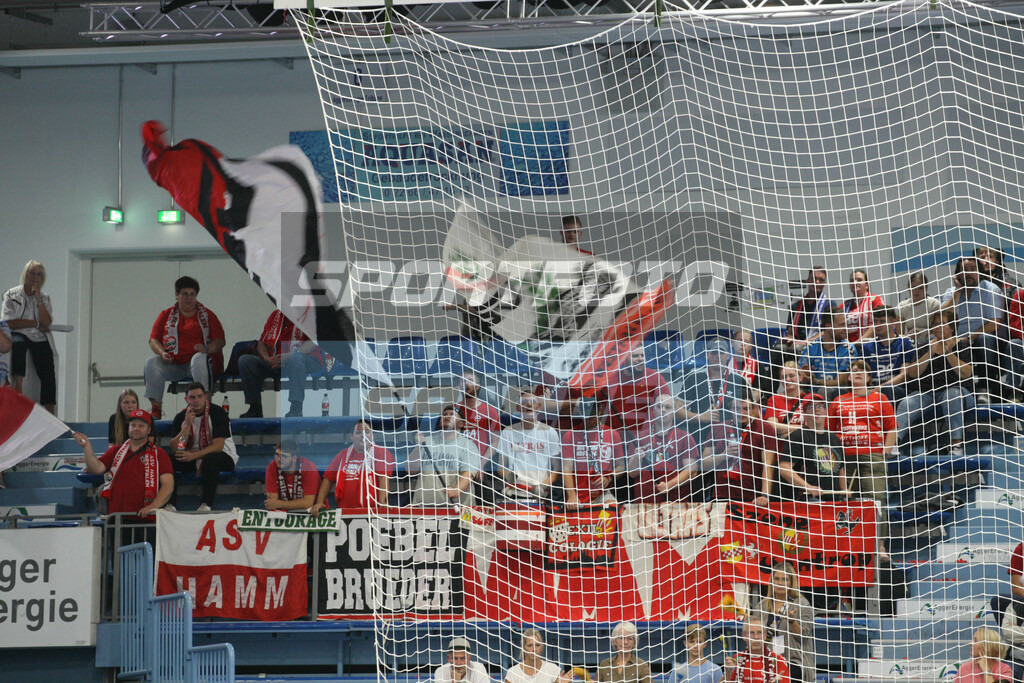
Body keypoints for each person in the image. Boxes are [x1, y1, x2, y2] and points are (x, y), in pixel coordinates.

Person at [896, 310, 975, 457]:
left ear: (952, 327)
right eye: (936, 324)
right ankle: (893, 444)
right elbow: (913, 373)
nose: (938, 327)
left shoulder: (962, 345)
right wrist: (929, 354)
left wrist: (948, 353)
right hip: (928, 394)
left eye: (942, 324)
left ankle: (956, 445)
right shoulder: (925, 346)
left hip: (959, 393)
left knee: (953, 395)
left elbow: (967, 373)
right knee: (907, 403)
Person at [145, 276, 226, 419]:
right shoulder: (165, 315)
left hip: (199, 365)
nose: (188, 298)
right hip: (175, 364)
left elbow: (220, 341)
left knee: (199, 358)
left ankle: (204, 406)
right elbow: (153, 340)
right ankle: (156, 410)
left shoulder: (208, 315)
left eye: (192, 294)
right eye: (184, 294)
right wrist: (162, 353)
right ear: (177, 296)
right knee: (152, 362)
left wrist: (206, 349)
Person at [74, 409, 174, 521]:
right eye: (133, 425)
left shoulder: (159, 454)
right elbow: (96, 468)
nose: (136, 428)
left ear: (149, 430)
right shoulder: (115, 451)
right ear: (128, 428)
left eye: (141, 426)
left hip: (145, 519)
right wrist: (86, 447)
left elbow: (168, 485)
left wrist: (153, 506)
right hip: (116, 519)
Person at [828, 360, 897, 504]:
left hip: (872, 455)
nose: (857, 372)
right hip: (844, 457)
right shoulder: (837, 401)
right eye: (854, 370)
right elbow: (830, 430)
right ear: (848, 377)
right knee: (846, 502)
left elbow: (891, 428)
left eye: (862, 370)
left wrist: (884, 452)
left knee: (874, 503)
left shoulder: (880, 398)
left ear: (868, 378)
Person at [238, 309, 325, 418]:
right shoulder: (275, 315)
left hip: (305, 359)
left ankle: (296, 407)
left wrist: (289, 356)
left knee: (296, 358)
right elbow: (262, 342)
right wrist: (266, 358)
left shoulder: (308, 314)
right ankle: (254, 408)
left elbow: (314, 341)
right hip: (275, 361)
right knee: (246, 360)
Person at [940, 257, 1005, 401]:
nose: (968, 274)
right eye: (964, 270)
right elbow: (941, 318)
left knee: (985, 339)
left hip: (982, 337)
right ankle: (942, 391)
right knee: (934, 341)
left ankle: (984, 388)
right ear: (957, 275)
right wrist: (958, 293)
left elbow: (995, 322)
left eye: (972, 270)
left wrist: (970, 337)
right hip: (957, 339)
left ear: (980, 273)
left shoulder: (990, 289)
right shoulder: (952, 292)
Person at [169, 382, 238, 512]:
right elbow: (177, 448)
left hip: (223, 455)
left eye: (200, 396)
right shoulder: (180, 417)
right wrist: (187, 425)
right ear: (186, 399)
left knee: (210, 458)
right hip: (193, 456)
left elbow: (218, 446)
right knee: (169, 459)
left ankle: (206, 504)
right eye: (192, 397)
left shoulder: (217, 412)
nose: (196, 400)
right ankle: (170, 504)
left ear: (205, 397)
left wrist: (193, 455)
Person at [2, 260, 57, 413]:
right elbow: (10, 322)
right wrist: (36, 323)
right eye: (32, 273)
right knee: (18, 345)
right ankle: (18, 388)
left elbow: (46, 321)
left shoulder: (45, 298)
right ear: (25, 274)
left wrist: (38, 299)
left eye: (39, 275)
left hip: (38, 337)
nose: (35, 277)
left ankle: (49, 409)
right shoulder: (11, 294)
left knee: (48, 368)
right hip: (18, 334)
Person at [702, 397, 777, 504]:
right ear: (730, 409)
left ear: (753, 409)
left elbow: (768, 465)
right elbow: (704, 464)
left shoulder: (765, 429)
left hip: (753, 496)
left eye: (746, 409)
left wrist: (764, 495)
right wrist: (724, 455)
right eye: (736, 409)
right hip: (721, 495)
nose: (741, 413)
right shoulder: (718, 428)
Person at [749, 562, 815, 683]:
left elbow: (803, 636)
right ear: (772, 581)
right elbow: (754, 637)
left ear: (791, 583)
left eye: (785, 580)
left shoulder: (802, 604)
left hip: (794, 661)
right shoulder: (762, 606)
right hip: (767, 660)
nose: (780, 583)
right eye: (777, 579)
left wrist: (791, 621)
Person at [676, 338, 747, 448]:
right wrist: (700, 417)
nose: (718, 357)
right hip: (699, 439)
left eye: (722, 353)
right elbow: (677, 411)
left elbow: (752, 412)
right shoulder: (694, 378)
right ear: (707, 355)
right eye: (714, 353)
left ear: (728, 356)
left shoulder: (739, 380)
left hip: (732, 439)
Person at [777, 393, 849, 501]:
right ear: (804, 414)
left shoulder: (834, 438)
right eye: (810, 407)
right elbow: (784, 468)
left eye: (819, 406)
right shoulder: (798, 436)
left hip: (834, 500)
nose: (816, 410)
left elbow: (841, 468)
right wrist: (808, 487)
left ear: (825, 411)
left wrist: (844, 490)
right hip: (809, 499)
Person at [311, 420, 394, 513]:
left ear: (372, 436)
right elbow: (328, 479)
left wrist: (383, 501)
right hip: (344, 511)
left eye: (367, 432)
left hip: (371, 512)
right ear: (351, 436)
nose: (363, 435)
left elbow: (383, 478)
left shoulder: (381, 452)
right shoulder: (343, 454)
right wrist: (319, 502)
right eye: (358, 433)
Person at [495, 393, 562, 501]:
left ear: (538, 407)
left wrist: (542, 486)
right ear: (518, 407)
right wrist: (509, 476)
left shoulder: (549, 432)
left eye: (532, 402)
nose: (529, 405)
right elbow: (500, 467)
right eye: (524, 402)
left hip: (542, 495)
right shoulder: (508, 432)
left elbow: (557, 469)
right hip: (513, 494)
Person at [561, 398, 627, 508]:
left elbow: (621, 466)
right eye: (587, 416)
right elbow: (566, 469)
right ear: (580, 412)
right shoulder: (570, 435)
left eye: (593, 415)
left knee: (613, 509)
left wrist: (609, 477)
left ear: (600, 410)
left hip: (603, 495)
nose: (591, 419)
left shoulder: (612, 434)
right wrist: (572, 495)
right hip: (578, 495)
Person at [409, 406, 480, 506]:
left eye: (452, 414)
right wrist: (418, 447)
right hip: (425, 508)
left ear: (461, 424)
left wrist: (456, 490)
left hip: (457, 508)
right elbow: (410, 470)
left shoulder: (468, 446)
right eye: (444, 414)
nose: (447, 416)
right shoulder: (426, 442)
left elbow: (468, 474)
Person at [635, 393, 699, 502]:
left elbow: (692, 472)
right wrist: (636, 459)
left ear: (674, 410)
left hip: (675, 502)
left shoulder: (684, 437)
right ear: (653, 410)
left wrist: (669, 485)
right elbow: (632, 474)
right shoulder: (640, 437)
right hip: (645, 502)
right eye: (659, 406)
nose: (663, 410)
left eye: (667, 407)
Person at [455, 370, 502, 501]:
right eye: (463, 381)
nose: (466, 383)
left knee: (482, 508)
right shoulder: (452, 411)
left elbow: (494, 442)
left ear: (478, 386)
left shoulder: (490, 412)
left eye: (470, 380)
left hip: (480, 470)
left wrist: (480, 464)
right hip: (456, 468)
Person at [606, 345, 671, 436]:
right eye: (635, 356)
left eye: (642, 355)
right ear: (623, 359)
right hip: (616, 439)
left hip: (647, 439)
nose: (640, 359)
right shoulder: (611, 380)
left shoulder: (654, 377)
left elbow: (668, 409)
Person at [861, 307, 916, 403]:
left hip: (896, 388)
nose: (877, 325)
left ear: (893, 322)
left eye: (882, 321)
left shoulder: (905, 343)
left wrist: (879, 388)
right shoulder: (868, 346)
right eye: (875, 321)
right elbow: (862, 373)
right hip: (872, 387)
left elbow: (904, 375)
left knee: (888, 390)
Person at [799, 310, 857, 400]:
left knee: (824, 391)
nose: (846, 328)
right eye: (842, 325)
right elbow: (801, 373)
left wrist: (816, 381)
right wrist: (804, 375)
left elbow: (840, 381)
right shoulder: (810, 347)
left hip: (837, 394)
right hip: (811, 392)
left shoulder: (848, 349)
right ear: (828, 326)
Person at [723, 618, 790, 683]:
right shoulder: (736, 659)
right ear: (744, 636)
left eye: (759, 632)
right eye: (751, 633)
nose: (756, 637)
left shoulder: (779, 661)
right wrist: (728, 671)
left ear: (765, 635)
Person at [783, 266, 832, 352]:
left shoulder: (829, 305)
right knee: (779, 349)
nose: (816, 282)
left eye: (820, 280)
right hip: (797, 343)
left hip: (818, 345)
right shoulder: (796, 306)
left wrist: (806, 342)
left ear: (824, 284)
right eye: (813, 278)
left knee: (797, 349)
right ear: (808, 281)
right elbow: (790, 332)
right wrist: (789, 339)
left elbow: (827, 331)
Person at [264, 440, 321, 511]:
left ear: (294, 458)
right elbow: (272, 504)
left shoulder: (309, 467)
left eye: (283, 456)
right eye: (277, 455)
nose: (278, 459)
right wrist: (277, 504)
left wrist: (280, 504)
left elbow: (308, 503)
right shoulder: (272, 467)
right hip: (284, 514)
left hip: (312, 514)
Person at [762, 362, 811, 444]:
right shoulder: (774, 400)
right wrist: (802, 428)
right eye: (784, 377)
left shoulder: (810, 399)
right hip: (782, 449)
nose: (787, 379)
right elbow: (772, 426)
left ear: (800, 377)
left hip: (806, 446)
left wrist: (785, 434)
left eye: (791, 376)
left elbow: (814, 428)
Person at [505, 629, 574, 683]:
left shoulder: (552, 670)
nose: (534, 649)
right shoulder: (513, 673)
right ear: (523, 648)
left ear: (542, 648)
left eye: (537, 645)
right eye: (530, 645)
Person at [897, 271, 941, 349]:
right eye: (913, 287)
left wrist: (926, 335)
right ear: (908, 287)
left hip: (931, 344)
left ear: (926, 288)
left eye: (920, 288)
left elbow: (939, 330)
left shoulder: (934, 304)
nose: (916, 291)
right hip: (910, 345)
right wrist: (909, 336)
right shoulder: (901, 307)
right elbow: (898, 335)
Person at [842, 269, 885, 345]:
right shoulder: (844, 305)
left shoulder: (875, 300)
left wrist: (858, 343)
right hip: (849, 348)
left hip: (871, 346)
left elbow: (879, 324)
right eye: (852, 280)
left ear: (867, 285)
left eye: (859, 280)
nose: (855, 282)